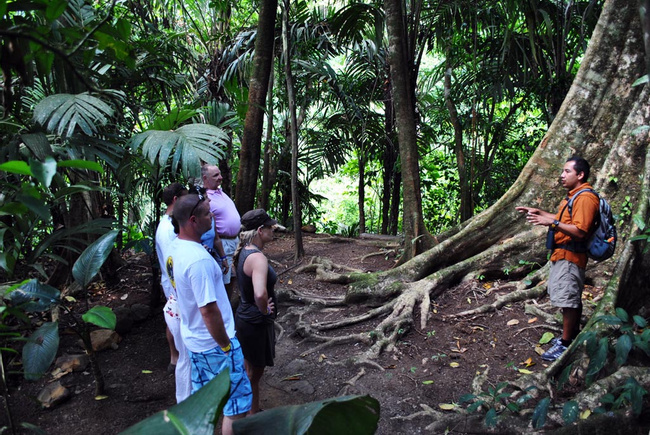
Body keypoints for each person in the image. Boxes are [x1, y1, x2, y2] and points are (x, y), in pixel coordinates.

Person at [167, 194, 251, 434]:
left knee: (207, 402)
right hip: (215, 344)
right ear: (193, 220)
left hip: (194, 340)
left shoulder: (177, 249)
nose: (212, 216)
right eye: (207, 213)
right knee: (236, 405)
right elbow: (208, 311)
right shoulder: (197, 261)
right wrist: (227, 346)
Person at [516, 156, 599, 361]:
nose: (562, 175)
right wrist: (541, 213)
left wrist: (550, 223)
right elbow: (563, 220)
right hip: (561, 254)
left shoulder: (585, 198)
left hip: (571, 257)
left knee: (569, 300)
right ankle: (568, 337)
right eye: (562, 171)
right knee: (567, 299)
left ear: (580, 175)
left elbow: (580, 231)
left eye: (567, 171)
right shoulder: (573, 196)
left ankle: (565, 344)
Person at [233, 209, 278, 415]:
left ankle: (253, 411)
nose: (273, 229)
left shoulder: (244, 251)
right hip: (255, 321)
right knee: (254, 373)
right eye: (270, 226)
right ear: (260, 230)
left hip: (244, 317)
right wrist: (265, 310)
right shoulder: (258, 258)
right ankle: (248, 416)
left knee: (250, 371)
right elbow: (260, 293)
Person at [154, 182, 191, 403]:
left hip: (173, 284)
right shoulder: (168, 229)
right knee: (178, 324)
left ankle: (175, 358)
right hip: (174, 284)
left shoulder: (169, 223)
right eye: (185, 199)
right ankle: (177, 358)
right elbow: (172, 262)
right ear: (176, 200)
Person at [202, 165, 241, 301]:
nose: (220, 178)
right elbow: (208, 226)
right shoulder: (206, 198)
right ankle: (222, 312)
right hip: (223, 243)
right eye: (216, 175)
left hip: (234, 241)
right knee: (224, 279)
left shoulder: (220, 192)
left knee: (232, 277)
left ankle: (228, 309)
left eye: (220, 174)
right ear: (205, 178)